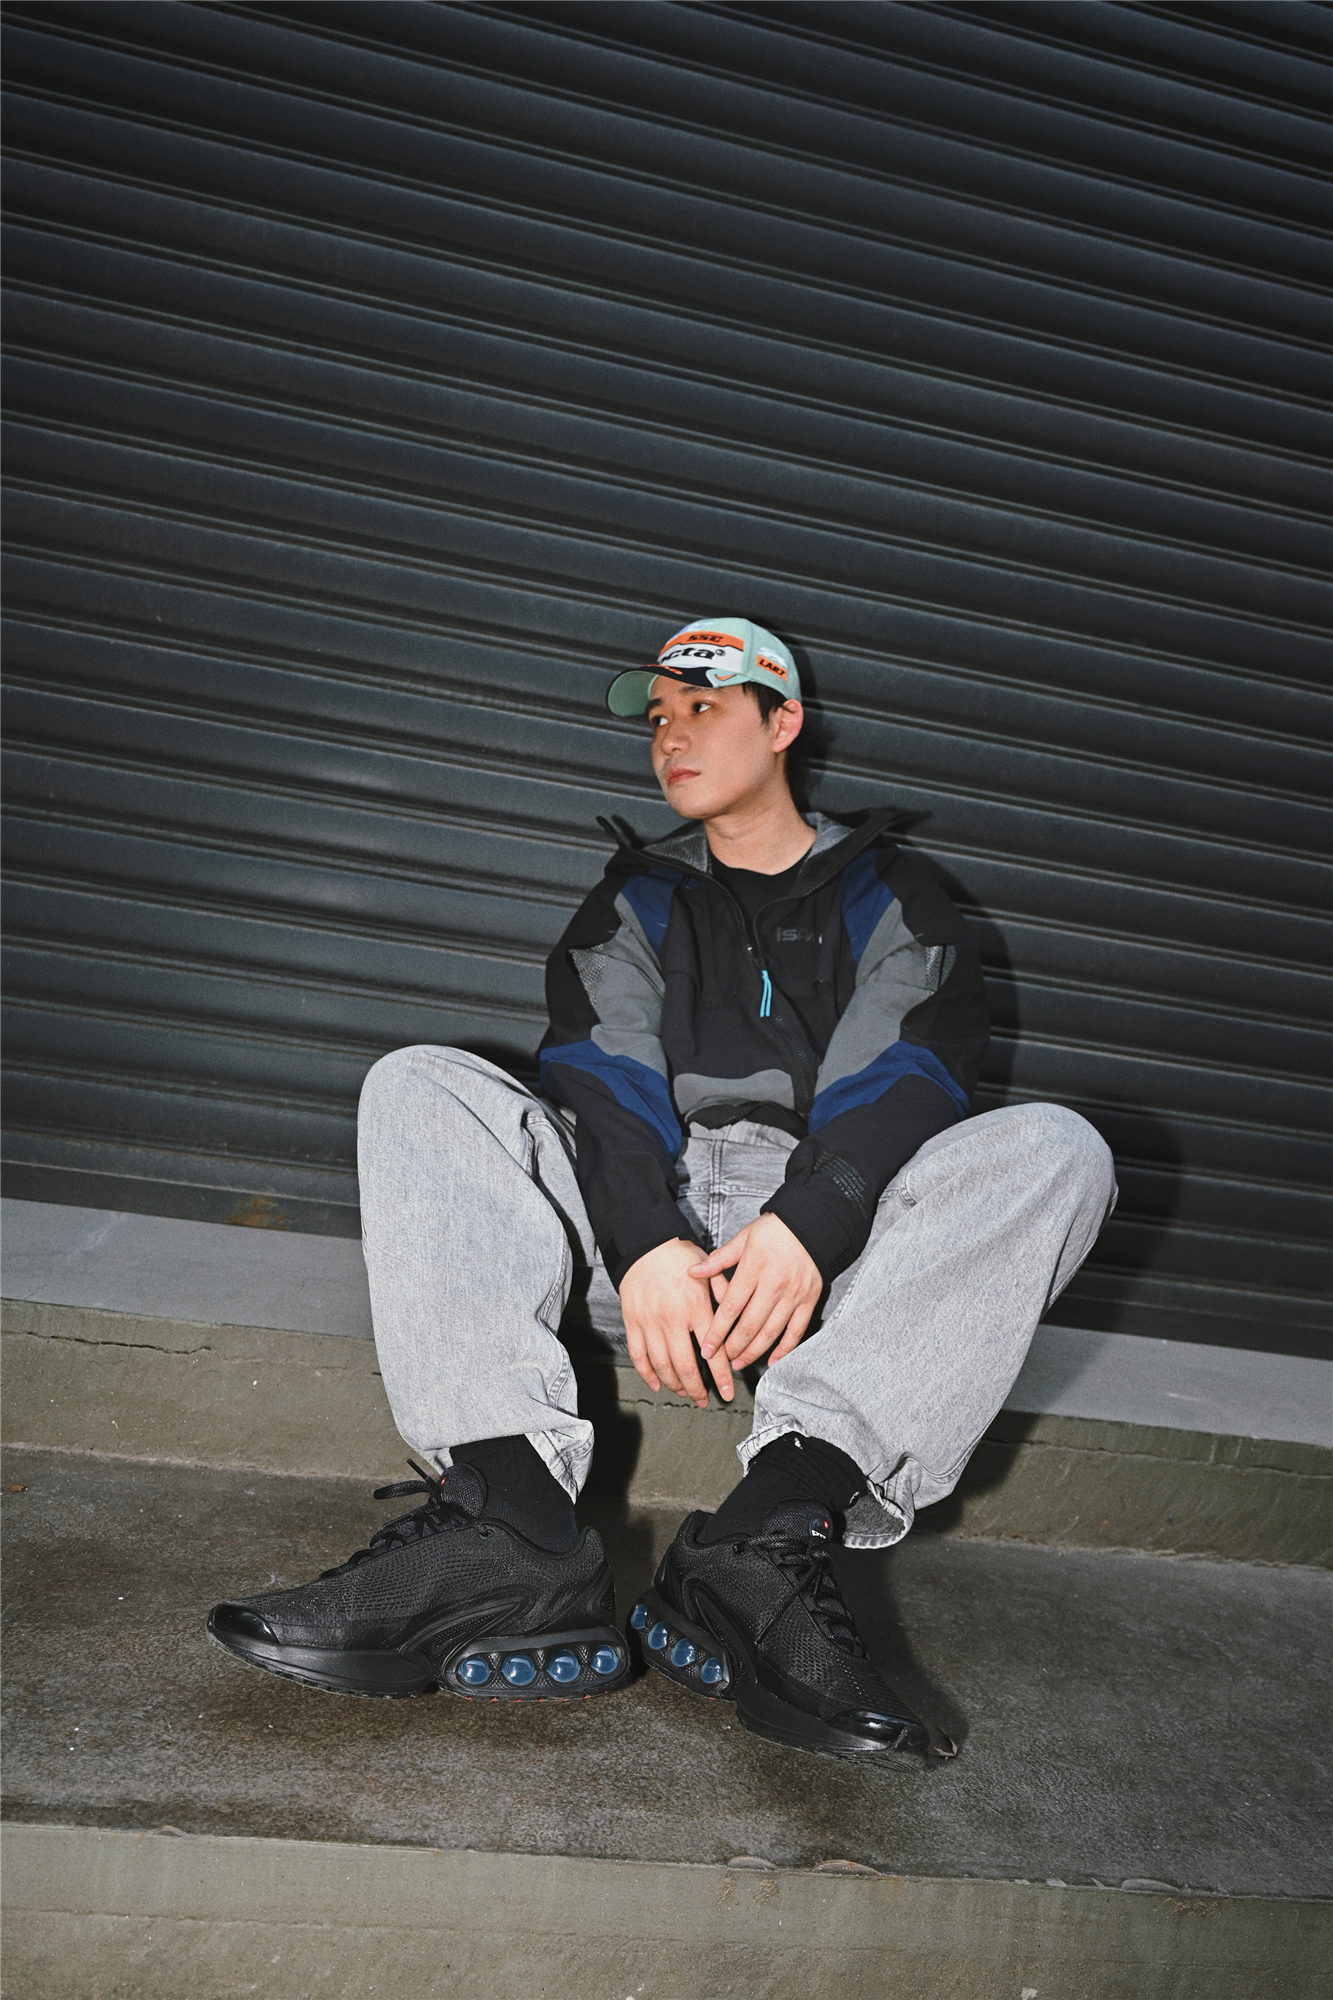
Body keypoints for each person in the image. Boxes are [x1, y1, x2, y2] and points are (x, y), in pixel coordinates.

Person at [208, 616, 1116, 1761]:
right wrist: (643, 1239)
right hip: (648, 1243)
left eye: (703, 707)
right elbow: (598, 1073)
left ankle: (767, 1533)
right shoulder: (634, 897)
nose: (671, 737)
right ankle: (510, 1521)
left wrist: (809, 1223)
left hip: (830, 1262)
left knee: (1057, 1149)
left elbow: (906, 1073)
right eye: (657, 718)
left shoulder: (895, 893)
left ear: (783, 723)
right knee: (424, 1083)